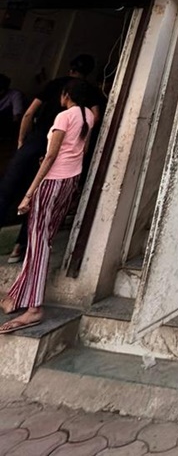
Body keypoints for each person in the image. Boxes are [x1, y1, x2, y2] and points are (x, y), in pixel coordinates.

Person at [0, 78, 95, 332]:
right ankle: (17, 295)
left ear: (66, 95)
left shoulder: (64, 117)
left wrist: (29, 193)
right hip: (69, 182)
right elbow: (80, 150)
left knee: (38, 242)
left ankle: (34, 308)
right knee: (43, 239)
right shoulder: (88, 116)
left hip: (52, 182)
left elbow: (51, 156)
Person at [0, 55, 104, 264]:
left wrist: (21, 142)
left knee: (6, 191)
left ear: (70, 69)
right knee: (37, 200)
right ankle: (19, 247)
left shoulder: (56, 84)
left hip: (37, 142)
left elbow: (29, 113)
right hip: (57, 152)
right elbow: (96, 117)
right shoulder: (90, 92)